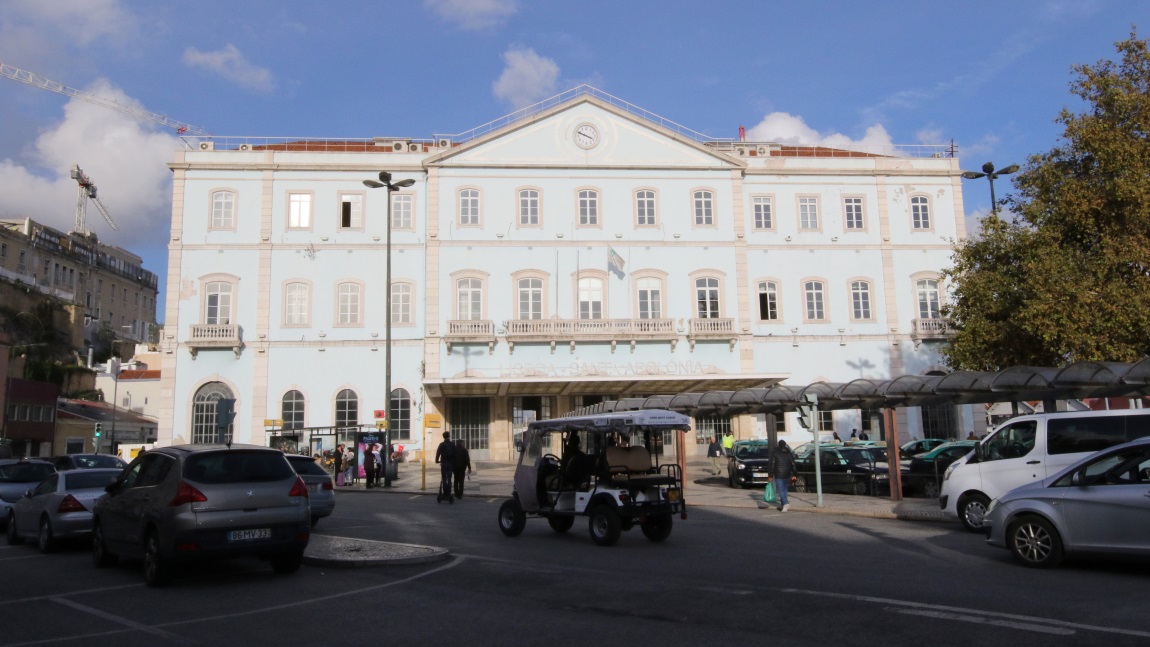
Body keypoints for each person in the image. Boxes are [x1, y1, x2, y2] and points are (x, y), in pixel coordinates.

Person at [767, 439, 798, 513]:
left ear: (778, 445)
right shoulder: (789, 453)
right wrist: (795, 474)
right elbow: (793, 464)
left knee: (780, 490)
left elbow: (772, 464)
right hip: (787, 473)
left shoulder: (775, 453)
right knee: (784, 489)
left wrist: (770, 475)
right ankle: (783, 503)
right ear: (785, 445)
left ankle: (785, 503)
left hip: (778, 474)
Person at [434, 431, 457, 499]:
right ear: (449, 436)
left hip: (444, 463)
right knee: (449, 478)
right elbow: (455, 453)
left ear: (443, 437)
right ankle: (449, 492)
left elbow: (438, 453)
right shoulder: (452, 444)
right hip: (450, 463)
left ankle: (445, 491)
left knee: (444, 478)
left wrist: (437, 460)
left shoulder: (442, 444)